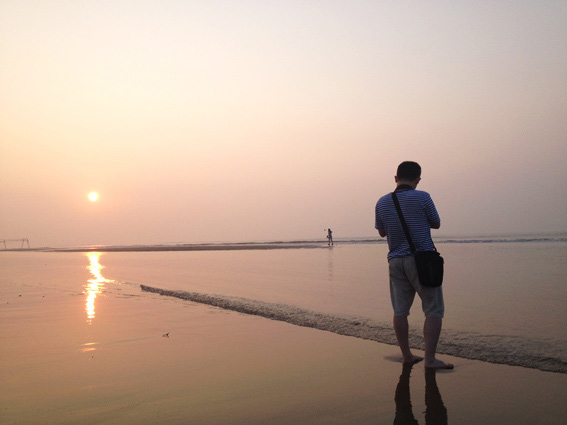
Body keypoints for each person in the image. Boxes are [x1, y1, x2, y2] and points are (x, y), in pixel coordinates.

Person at [375, 161, 453, 369]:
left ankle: (407, 355)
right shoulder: (423, 197)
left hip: (395, 261)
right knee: (433, 310)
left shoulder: (382, 202)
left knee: (400, 310)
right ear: (418, 179)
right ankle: (430, 359)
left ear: (395, 178)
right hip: (422, 261)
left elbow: (382, 232)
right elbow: (436, 223)